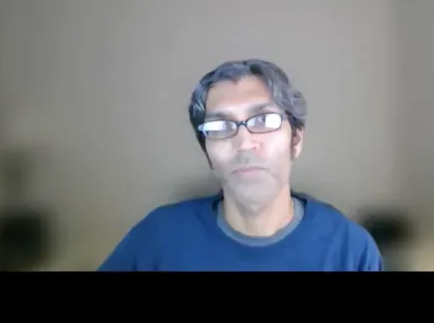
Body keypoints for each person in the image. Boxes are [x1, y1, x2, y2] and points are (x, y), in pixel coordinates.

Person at [99, 60, 382, 272]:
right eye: (221, 126)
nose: (243, 142)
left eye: (263, 120)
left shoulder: (350, 249)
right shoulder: (156, 239)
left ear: (295, 140)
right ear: (207, 153)